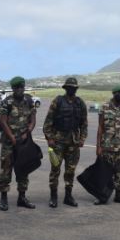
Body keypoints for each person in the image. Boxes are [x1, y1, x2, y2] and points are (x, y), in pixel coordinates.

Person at [42, 77, 87, 209]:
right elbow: (48, 122)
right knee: (55, 169)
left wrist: (82, 138)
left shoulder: (80, 103)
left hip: (73, 142)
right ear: (65, 88)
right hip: (58, 141)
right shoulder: (58, 101)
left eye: (73, 88)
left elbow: (84, 124)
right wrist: (49, 138)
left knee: (70, 170)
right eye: (69, 87)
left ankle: (68, 196)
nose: (71, 89)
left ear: (76, 89)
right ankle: (53, 196)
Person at [0, 77, 37, 211]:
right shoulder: (6, 102)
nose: (20, 90)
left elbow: (33, 119)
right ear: (13, 89)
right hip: (9, 142)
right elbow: (3, 122)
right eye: (17, 88)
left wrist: (28, 132)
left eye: (22, 87)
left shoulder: (29, 101)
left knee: (23, 169)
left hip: (24, 142)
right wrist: (12, 137)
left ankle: (22, 197)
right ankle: (4, 198)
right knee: (6, 170)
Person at [96, 85, 120, 205]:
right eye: (118, 93)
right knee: (105, 173)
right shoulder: (105, 107)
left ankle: (119, 195)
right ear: (113, 94)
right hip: (107, 146)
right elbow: (100, 128)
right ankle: (103, 196)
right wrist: (98, 146)